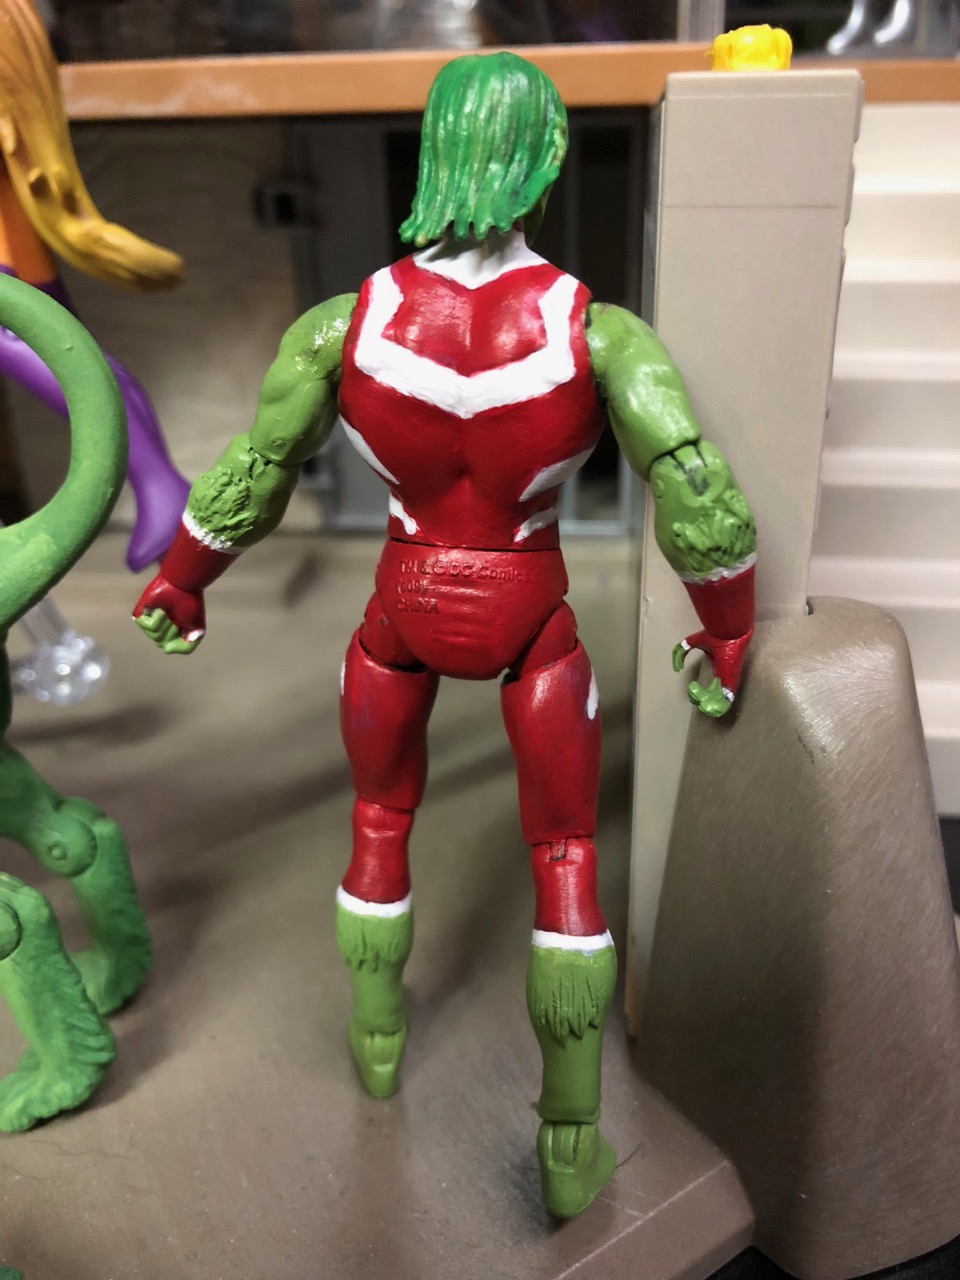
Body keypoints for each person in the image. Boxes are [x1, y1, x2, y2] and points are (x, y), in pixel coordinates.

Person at [134, 51, 756, 1217]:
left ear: (437, 155)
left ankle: (376, 1039)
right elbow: (692, 482)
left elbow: (255, 469)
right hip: (529, 609)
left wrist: (182, 578)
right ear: (545, 162)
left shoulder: (343, 326)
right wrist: (727, 625)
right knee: (565, 851)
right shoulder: (599, 334)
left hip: (402, 605)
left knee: (379, 816)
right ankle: (570, 1137)